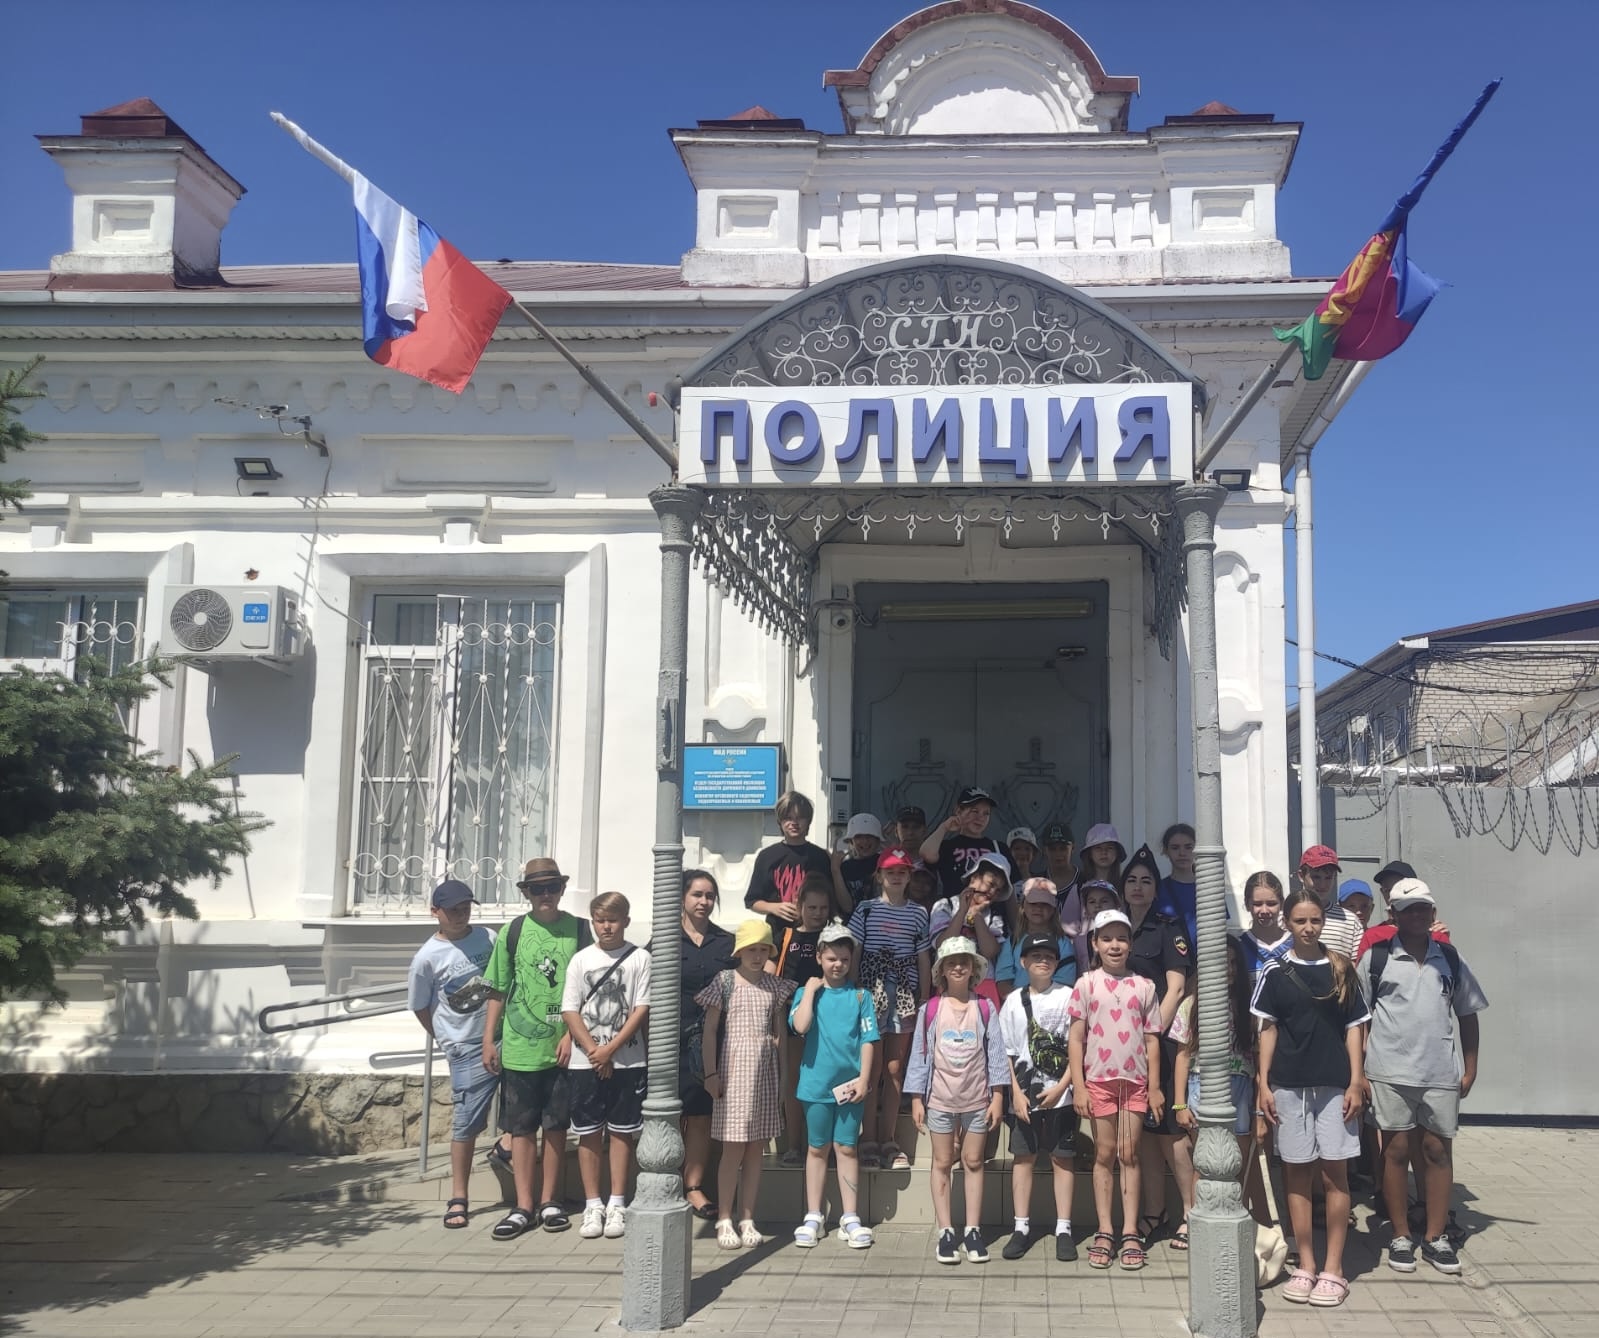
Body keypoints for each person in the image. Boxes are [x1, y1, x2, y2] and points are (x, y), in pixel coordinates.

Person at [1358, 880, 1488, 1276]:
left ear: (1433, 913)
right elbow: (1358, 1019)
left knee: (1437, 1151)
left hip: (1439, 1073)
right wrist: (1359, 1072)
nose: (1417, 915)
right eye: (1408, 908)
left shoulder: (1449, 958)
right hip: (1388, 1072)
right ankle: (1400, 1236)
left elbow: (1467, 1013)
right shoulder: (1376, 958)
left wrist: (1470, 1068)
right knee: (1395, 1152)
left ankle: (1435, 1236)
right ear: (1393, 914)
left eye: (1423, 908)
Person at [1251, 888, 1370, 1308]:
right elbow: (1268, 1030)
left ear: (1323, 922)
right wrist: (1264, 1084)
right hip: (1289, 1085)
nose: (1308, 928)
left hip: (1334, 1085)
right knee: (1297, 1175)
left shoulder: (1341, 968)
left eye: (1315, 920)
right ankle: (1306, 1263)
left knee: (1335, 1174)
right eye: (1300, 921)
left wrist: (1356, 1080)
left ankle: (1334, 1268)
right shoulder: (1274, 971)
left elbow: (1355, 1027)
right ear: (1287, 923)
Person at [482, 857, 591, 1240]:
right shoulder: (512, 931)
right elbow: (497, 987)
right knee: (522, 1129)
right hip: (520, 1048)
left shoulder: (580, 930)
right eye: (537, 889)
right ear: (526, 893)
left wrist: (572, 1035)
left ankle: (550, 1201)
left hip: (564, 1048)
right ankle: (523, 1206)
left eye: (552, 887)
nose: (546, 895)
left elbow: (589, 988)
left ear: (562, 889)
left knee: (556, 1128)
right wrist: (488, 1039)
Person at [1068, 910, 1164, 1271]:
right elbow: (1076, 1038)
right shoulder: (1086, 984)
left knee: (1129, 1153)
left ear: (1131, 944)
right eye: (1106, 938)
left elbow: (1152, 1039)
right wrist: (1079, 1087)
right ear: (1094, 943)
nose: (1114, 945)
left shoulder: (1144, 986)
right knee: (1105, 1153)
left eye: (1121, 938)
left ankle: (1130, 1231)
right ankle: (1105, 1229)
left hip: (1135, 1083)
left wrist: (1154, 1087)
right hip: (1099, 1082)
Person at [906, 937, 1008, 1264]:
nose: (959, 967)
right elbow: (920, 1055)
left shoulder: (985, 1007)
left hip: (977, 1098)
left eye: (964, 962)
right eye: (951, 963)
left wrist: (998, 1095)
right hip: (939, 1098)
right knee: (942, 1160)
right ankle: (946, 1231)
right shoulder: (931, 1009)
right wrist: (917, 1099)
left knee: (974, 1161)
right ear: (942, 971)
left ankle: (973, 1230)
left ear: (974, 968)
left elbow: (996, 1053)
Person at [696, 919, 795, 1250]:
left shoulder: (775, 986)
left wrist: (783, 1079)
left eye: (763, 949)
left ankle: (747, 1216)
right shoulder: (725, 981)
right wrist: (711, 1074)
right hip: (733, 1069)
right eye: (751, 949)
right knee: (733, 1148)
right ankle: (725, 1216)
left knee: (756, 1148)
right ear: (739, 951)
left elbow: (780, 1035)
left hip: (765, 1072)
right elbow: (710, 1031)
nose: (757, 956)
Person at [408, 878, 499, 1230]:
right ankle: (459, 1196)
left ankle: (505, 1147)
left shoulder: (488, 937)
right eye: (453, 910)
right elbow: (420, 1006)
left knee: (524, 1104)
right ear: (436, 912)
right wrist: (446, 1038)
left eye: (465, 908)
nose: (461, 915)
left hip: (503, 1036)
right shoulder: (426, 958)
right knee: (466, 1122)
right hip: (465, 1047)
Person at [561, 892, 651, 1240]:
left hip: (627, 1059)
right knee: (588, 1132)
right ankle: (592, 1203)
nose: (606, 927)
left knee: (621, 1131)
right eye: (600, 920)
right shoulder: (580, 960)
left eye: (613, 920)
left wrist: (610, 1049)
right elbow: (570, 1009)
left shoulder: (640, 958)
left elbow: (641, 1008)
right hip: (585, 1062)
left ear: (626, 921)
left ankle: (617, 1201)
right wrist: (593, 1051)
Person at [789, 923, 879, 1249]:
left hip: (851, 1088)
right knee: (817, 1148)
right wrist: (810, 992)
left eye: (844, 959)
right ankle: (813, 1214)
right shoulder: (806, 994)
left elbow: (868, 1039)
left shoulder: (861, 996)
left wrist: (865, 1079)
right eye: (831, 958)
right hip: (815, 1086)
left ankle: (849, 1216)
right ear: (819, 958)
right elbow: (800, 1026)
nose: (837, 964)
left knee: (847, 1147)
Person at [1121, 844, 1193, 1246]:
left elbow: (1176, 987)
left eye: (1146, 881)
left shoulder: (1168, 927)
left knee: (1168, 1133)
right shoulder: (1113, 927)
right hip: (1120, 1047)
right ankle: (1155, 1212)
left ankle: (1190, 1213)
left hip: (1156, 1044)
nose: (1138, 887)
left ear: (1155, 888)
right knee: (1142, 1135)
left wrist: (1150, 1032)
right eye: (1131, 880)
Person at [1171, 936, 1270, 1230]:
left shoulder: (1250, 1007)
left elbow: (1258, 1061)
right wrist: (1180, 1104)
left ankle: (1235, 1221)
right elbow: (1182, 1055)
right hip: (1202, 1083)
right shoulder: (1192, 1004)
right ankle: (1198, 1224)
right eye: (1221, 962)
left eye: (1233, 962)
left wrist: (1258, 1110)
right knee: (1205, 1160)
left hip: (1241, 1086)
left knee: (1238, 1160)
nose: (1228, 969)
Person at [847, 846, 932, 1169]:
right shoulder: (866, 909)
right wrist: (854, 991)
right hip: (871, 992)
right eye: (890, 871)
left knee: (895, 1068)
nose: (896, 877)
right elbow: (855, 951)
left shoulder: (918, 913)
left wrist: (924, 996)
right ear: (879, 875)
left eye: (902, 872)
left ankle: (889, 1139)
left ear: (909, 877)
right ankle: (868, 1138)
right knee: (871, 1067)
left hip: (905, 993)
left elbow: (923, 956)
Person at [998, 932, 1080, 1263]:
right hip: (1023, 1096)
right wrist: (1014, 1094)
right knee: (1023, 1158)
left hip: (1063, 1095)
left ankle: (1064, 1229)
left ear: (1057, 962)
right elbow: (1006, 1051)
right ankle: (1021, 1227)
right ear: (1023, 962)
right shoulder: (1012, 1001)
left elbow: (1078, 1046)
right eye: (1035, 956)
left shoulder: (1069, 996)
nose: (1042, 961)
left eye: (1049, 956)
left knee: (1063, 1159)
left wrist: (1063, 1087)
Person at [678, 869, 734, 1223]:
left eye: (709, 896)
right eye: (697, 894)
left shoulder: (726, 943)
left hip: (712, 1041)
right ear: (683, 898)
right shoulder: (665, 941)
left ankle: (694, 1186)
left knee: (700, 1114)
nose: (704, 902)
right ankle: (666, 1179)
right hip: (671, 1040)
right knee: (671, 1114)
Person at [770, 877, 834, 1166]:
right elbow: (771, 975)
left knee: (826, 1081)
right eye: (812, 907)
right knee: (794, 1080)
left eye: (823, 908)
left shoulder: (833, 937)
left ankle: (821, 1145)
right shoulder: (785, 936)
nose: (818, 913)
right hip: (792, 1017)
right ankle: (794, 1145)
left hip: (828, 1018)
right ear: (799, 907)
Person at [746, 790, 839, 928]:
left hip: (815, 932)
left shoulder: (820, 856)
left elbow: (833, 900)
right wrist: (773, 907)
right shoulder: (766, 856)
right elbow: (752, 901)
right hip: (779, 931)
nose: (794, 823)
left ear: (808, 821)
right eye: (788, 818)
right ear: (780, 821)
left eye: (800, 818)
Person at [919, 785, 1013, 901]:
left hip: (990, 910)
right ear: (959, 811)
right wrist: (944, 827)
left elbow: (1010, 891)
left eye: (986, 813)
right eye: (974, 811)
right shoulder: (947, 847)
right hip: (956, 909)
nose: (980, 818)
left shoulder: (999, 848)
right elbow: (926, 854)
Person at [994, 879, 1079, 999]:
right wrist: (1022, 1002)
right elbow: (1003, 981)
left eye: (1044, 904)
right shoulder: (1013, 941)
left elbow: (1065, 982)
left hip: (1052, 1005)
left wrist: (1039, 1002)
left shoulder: (1064, 943)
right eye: (1033, 903)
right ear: (1023, 906)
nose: (1038, 908)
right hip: (1018, 1004)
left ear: (1053, 909)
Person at [1356, 860, 1451, 960]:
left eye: (1400, 887)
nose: (1393, 894)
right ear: (1382, 892)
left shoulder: (1437, 936)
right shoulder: (1372, 936)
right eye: (1388, 890)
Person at [1155, 822, 1229, 944]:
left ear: (1196, 849)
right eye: (1175, 848)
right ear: (1166, 850)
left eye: (1188, 847)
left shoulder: (1210, 889)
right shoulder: (1157, 889)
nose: (1182, 853)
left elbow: (1221, 929)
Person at [1296, 844, 1362, 959]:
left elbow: (1357, 964)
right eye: (1316, 877)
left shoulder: (1350, 921)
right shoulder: (1286, 917)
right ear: (1301, 876)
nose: (1322, 885)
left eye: (1328, 878)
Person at [1237, 870, 1291, 985]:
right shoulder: (1238, 949)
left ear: (1282, 903)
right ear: (1247, 904)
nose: (1264, 911)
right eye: (1257, 904)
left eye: (1271, 904)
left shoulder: (1296, 945)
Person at [1041, 822, 1084, 962]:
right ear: (1044, 850)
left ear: (1073, 848)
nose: (1058, 854)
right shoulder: (1037, 882)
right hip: (1043, 951)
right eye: (1052, 849)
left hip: (1079, 953)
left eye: (1063, 848)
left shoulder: (1084, 882)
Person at [833, 812, 883, 910]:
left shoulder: (884, 864)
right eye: (859, 837)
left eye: (869, 836)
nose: (864, 841)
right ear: (851, 841)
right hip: (851, 919)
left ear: (878, 840)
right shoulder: (844, 868)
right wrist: (835, 870)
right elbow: (847, 908)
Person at [1078, 822, 1126, 892]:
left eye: (1110, 848)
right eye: (1098, 848)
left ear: (1117, 853)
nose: (1104, 852)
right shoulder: (1078, 888)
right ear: (1090, 854)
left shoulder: (1126, 887)